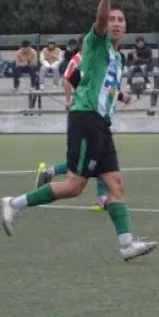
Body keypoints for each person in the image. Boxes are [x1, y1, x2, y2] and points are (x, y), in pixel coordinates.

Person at [0, 0, 157, 261]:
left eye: (121, 19)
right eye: (112, 19)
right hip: (86, 118)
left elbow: (101, 83)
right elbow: (98, 21)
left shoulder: (116, 56)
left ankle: (126, 245)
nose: (116, 23)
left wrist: (119, 95)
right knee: (74, 186)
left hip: (101, 123)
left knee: (115, 184)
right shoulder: (95, 43)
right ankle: (15, 203)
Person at [33, 44, 110, 211]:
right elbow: (68, 78)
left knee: (96, 155)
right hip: (85, 113)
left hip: (97, 112)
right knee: (90, 156)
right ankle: (21, 201)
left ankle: (101, 196)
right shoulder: (79, 59)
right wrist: (68, 99)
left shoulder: (101, 58)